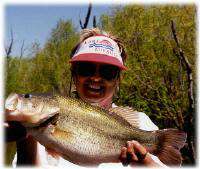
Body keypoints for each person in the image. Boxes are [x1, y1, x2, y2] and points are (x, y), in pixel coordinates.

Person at [5, 28, 167, 167]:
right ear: (74, 74)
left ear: (117, 79)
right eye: (86, 68)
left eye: (107, 72)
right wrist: (25, 139)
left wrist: (146, 164)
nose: (96, 78)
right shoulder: (37, 132)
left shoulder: (142, 124)